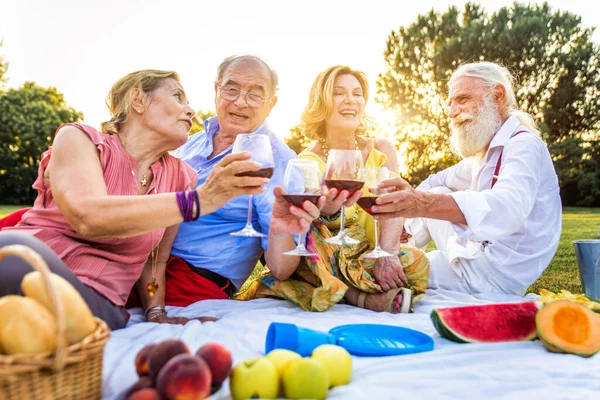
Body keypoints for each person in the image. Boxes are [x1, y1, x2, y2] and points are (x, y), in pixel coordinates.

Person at [0, 69, 316, 330]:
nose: (191, 110)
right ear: (138, 100)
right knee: (16, 250)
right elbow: (91, 216)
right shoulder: (82, 139)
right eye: (178, 97)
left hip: (98, 295)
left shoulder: (182, 176)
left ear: (271, 102)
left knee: (17, 262)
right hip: (38, 259)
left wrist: (156, 313)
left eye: (255, 92)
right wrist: (199, 201)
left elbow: (155, 261)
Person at [239, 65, 430, 314]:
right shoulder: (307, 161)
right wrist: (328, 208)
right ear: (322, 103)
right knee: (312, 248)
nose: (350, 100)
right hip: (327, 255)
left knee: (417, 260)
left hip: (369, 256)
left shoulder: (381, 149)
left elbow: (393, 206)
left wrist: (389, 254)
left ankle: (340, 287)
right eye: (339, 93)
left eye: (357, 93)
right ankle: (359, 296)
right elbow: (310, 223)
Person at [373, 61, 562, 296]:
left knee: (370, 269)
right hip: (473, 253)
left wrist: (418, 204)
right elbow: (434, 182)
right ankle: (400, 246)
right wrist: (402, 222)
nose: (452, 112)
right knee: (437, 192)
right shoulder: (488, 151)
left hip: (494, 277)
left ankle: (395, 257)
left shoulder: (524, 145)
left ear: (497, 96)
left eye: (462, 99)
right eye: (450, 104)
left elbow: (506, 209)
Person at [146, 54, 300, 309]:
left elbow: (281, 268)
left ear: (271, 104)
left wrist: (281, 228)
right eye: (232, 89)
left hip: (194, 282)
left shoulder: (282, 161)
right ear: (217, 90)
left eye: (255, 94)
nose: (240, 101)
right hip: (145, 264)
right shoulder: (190, 142)